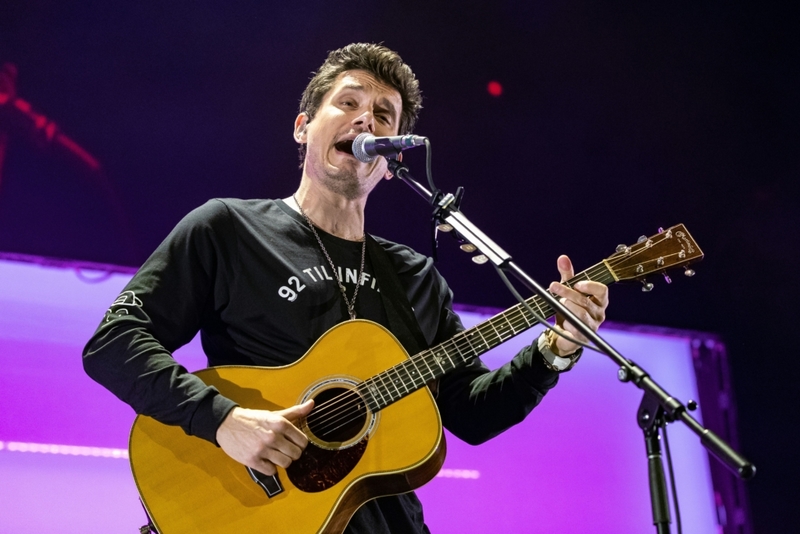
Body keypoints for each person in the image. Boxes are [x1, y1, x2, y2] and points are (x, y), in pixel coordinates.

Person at [83, 43, 608, 533]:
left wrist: (554, 350)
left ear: (390, 158)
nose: (366, 120)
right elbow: (114, 343)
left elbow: (469, 412)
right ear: (303, 127)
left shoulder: (416, 277)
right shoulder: (227, 229)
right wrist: (223, 420)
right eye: (349, 102)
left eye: (384, 116)